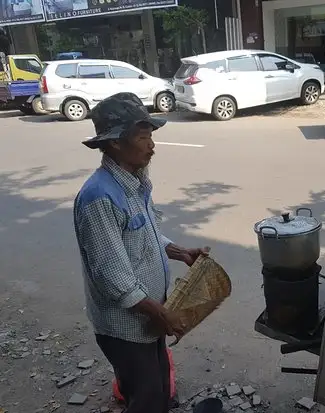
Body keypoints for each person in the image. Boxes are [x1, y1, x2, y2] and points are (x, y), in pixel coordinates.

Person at [73, 92, 209, 413]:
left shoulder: (135, 181)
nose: (152, 145)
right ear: (116, 143)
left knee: (159, 389)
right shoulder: (99, 198)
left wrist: (180, 252)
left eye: (151, 137)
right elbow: (113, 278)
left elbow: (144, 236)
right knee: (146, 401)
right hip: (127, 327)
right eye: (143, 137)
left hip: (149, 319)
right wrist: (163, 315)